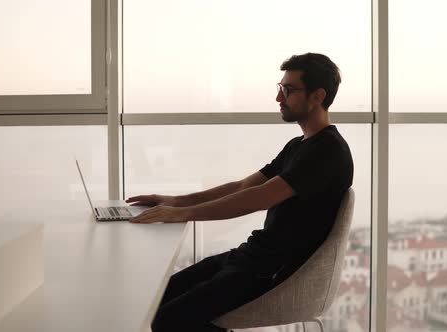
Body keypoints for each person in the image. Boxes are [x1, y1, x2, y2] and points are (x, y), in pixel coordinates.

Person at [126, 53, 354, 332]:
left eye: (288, 90)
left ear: (318, 96)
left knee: (167, 319)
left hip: (273, 271)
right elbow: (244, 186)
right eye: (280, 88)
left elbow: (259, 198)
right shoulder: (299, 145)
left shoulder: (327, 150)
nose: (279, 98)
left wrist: (181, 214)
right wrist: (174, 201)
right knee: (156, 299)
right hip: (251, 257)